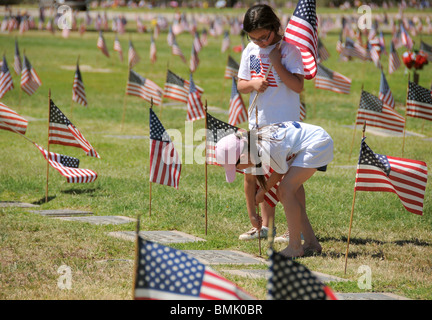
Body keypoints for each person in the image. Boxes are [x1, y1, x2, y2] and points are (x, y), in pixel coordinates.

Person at [237, 4, 305, 242]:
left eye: (264, 37)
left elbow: (298, 86)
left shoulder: (289, 51)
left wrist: (276, 63)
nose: (260, 43)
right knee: (262, 175)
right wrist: (253, 84)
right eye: (254, 38)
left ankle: (296, 228)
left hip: (286, 125)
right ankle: (266, 227)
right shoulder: (250, 50)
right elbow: (240, 85)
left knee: (289, 178)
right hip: (259, 121)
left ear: (275, 27)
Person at [215, 121, 334, 258]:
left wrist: (262, 192)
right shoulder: (248, 145)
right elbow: (250, 180)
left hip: (317, 143)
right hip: (310, 141)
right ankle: (311, 243)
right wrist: (253, 213)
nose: (238, 170)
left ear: (242, 157)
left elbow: (279, 173)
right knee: (286, 191)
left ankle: (295, 246)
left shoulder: (267, 147)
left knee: (285, 190)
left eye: (237, 167)